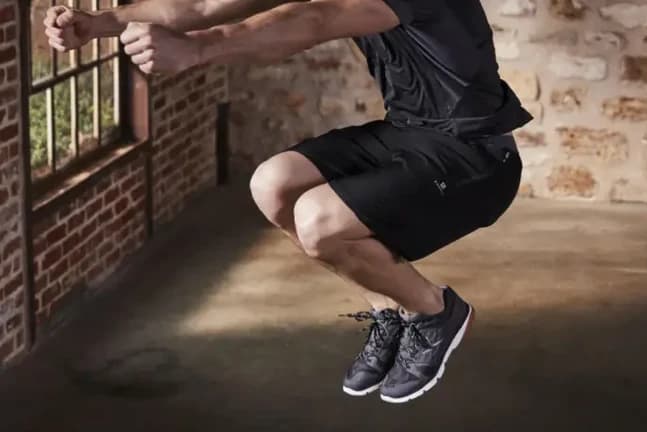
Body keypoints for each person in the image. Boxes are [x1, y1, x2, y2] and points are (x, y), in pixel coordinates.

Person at [45, 0, 531, 403]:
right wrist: (101, 23)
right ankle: (390, 307)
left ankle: (433, 311)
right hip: (407, 133)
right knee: (273, 184)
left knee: (318, 221)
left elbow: (315, 19)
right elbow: (201, 5)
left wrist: (196, 49)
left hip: (477, 155)